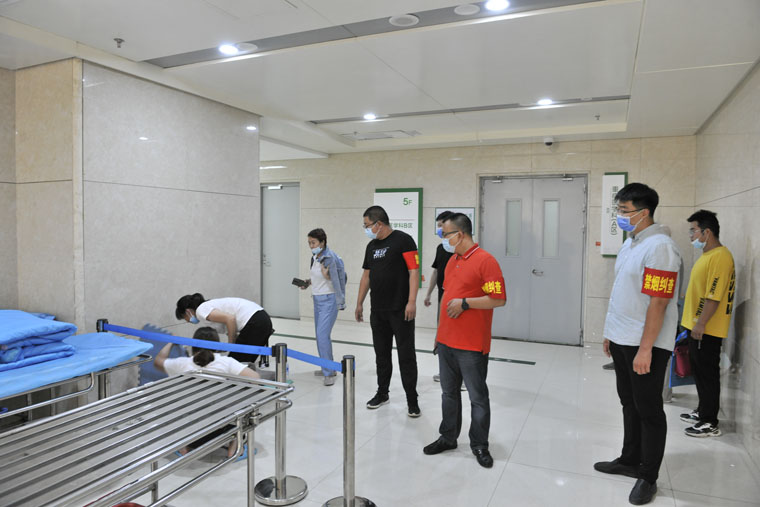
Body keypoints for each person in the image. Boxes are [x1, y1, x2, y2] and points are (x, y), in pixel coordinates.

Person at [594, 183, 682, 506]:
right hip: (622, 338)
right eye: (618, 210)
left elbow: (658, 302)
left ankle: (648, 476)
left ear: (644, 213)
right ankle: (630, 459)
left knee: (649, 409)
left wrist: (646, 349)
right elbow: (623, 293)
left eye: (624, 211)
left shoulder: (661, 248)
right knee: (628, 402)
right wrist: (610, 333)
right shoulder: (631, 243)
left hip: (645, 344)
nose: (619, 216)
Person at [422, 213, 506, 469]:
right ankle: (448, 437)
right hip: (447, 342)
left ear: (460, 234)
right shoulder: (452, 261)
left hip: (471, 345)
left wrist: (467, 303)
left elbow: (498, 299)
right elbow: (447, 298)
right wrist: (439, 335)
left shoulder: (486, 261)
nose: (443, 239)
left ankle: (479, 444)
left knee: (477, 397)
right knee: (448, 394)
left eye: (445, 234)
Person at [355, 205, 421, 417]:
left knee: (406, 355)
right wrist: (359, 303)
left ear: (379, 224)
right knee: (381, 355)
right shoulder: (371, 246)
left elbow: (414, 271)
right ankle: (382, 393)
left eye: (367, 225)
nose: (366, 229)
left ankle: (412, 399)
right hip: (378, 310)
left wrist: (412, 301)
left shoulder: (404, 240)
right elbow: (366, 276)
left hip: (400, 310)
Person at [154, 326, 259, 458]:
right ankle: (234, 449)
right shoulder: (226, 362)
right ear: (217, 345)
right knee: (246, 399)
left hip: (191, 434)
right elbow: (255, 378)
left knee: (180, 404)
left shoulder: (182, 363)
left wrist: (171, 341)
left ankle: (183, 448)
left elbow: (158, 361)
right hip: (222, 429)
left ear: (193, 345)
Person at [679, 210, 735, 437]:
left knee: (707, 374)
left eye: (693, 230)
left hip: (707, 329)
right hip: (697, 326)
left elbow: (714, 296)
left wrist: (700, 324)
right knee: (699, 372)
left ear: (707, 232)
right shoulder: (708, 255)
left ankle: (710, 421)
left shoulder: (720, 257)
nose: (691, 235)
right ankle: (703, 411)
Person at [299, 228, 346, 386]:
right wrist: (308, 283)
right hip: (317, 300)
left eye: (313, 243)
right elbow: (317, 277)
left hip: (329, 300)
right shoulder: (315, 257)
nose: (311, 246)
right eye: (309, 243)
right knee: (321, 337)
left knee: (322, 335)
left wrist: (328, 276)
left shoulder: (330, 257)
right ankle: (328, 367)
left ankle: (329, 373)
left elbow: (342, 278)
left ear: (322, 242)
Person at [175, 293, 274, 365]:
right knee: (245, 362)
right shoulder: (209, 306)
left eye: (184, 318)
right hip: (262, 319)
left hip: (255, 321)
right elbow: (231, 328)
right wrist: (227, 346)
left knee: (234, 364)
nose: (187, 321)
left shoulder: (201, 310)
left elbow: (230, 319)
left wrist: (231, 345)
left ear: (188, 312)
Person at [424, 211, 454, 383]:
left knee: (456, 337)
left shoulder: (459, 249)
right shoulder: (440, 248)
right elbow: (436, 272)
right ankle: (446, 373)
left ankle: (461, 377)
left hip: (457, 300)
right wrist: (428, 293)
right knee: (442, 335)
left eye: (441, 226)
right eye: (438, 227)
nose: (439, 230)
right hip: (442, 297)